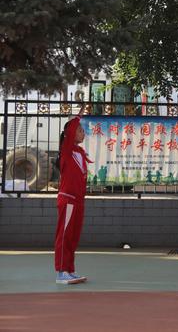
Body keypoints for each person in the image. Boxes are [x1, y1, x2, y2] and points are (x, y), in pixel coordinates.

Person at [54, 117, 91, 284]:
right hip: (68, 199)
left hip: (78, 201)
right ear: (70, 133)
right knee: (65, 235)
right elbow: (71, 129)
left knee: (74, 237)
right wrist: (79, 115)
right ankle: (61, 272)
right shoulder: (66, 150)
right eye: (80, 130)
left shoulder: (80, 153)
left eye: (83, 131)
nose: (83, 133)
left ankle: (70, 269)